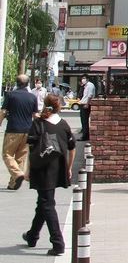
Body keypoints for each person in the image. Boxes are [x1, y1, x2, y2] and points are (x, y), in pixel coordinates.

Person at [21, 93, 75, 256]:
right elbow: (72, 148)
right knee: (44, 202)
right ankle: (32, 235)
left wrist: (28, 169)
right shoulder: (64, 124)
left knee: (47, 204)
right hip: (58, 167)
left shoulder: (38, 123)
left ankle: (58, 242)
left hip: (42, 168)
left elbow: (31, 149)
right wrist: (69, 168)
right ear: (60, 107)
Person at [1, 74, 38, 189]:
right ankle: (13, 184)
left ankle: (17, 174)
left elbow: (3, 112)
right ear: (27, 84)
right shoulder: (32, 97)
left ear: (17, 83)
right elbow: (35, 115)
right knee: (20, 157)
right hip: (27, 130)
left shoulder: (11, 95)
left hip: (13, 129)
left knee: (7, 154)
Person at [77, 75, 96, 141]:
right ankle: (85, 135)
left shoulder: (90, 85)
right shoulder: (85, 86)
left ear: (87, 79)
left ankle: (85, 136)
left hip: (86, 104)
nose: (83, 80)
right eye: (82, 78)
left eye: (84, 78)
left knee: (85, 121)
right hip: (83, 104)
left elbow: (90, 95)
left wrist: (87, 104)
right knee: (83, 121)